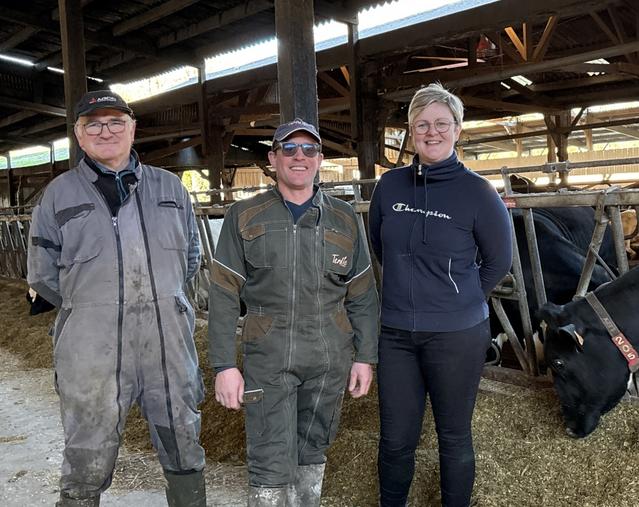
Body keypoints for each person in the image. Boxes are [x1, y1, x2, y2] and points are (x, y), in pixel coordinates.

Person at [27, 90, 205, 507]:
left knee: (182, 437)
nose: (105, 131)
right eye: (94, 124)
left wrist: (164, 299)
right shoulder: (58, 195)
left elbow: (192, 257)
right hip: (91, 349)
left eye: (115, 122)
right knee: (86, 448)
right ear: (79, 134)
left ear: (132, 129)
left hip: (168, 345)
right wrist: (90, 309)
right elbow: (41, 274)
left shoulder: (170, 188)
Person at [208, 118, 379, 506]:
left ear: (320, 159)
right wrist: (224, 365)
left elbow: (363, 295)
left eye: (308, 150)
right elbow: (222, 295)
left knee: (313, 449)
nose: (298, 157)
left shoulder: (344, 218)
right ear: (273, 158)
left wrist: (366, 357)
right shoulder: (245, 216)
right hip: (268, 353)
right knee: (269, 455)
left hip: (329, 356)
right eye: (288, 149)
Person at [368, 83, 513, 507]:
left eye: (442, 124)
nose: (432, 133)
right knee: (395, 439)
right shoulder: (389, 187)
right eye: (422, 124)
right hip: (396, 334)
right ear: (410, 132)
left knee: (453, 435)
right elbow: (380, 246)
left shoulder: (479, 194)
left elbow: (498, 262)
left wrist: (461, 301)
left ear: (457, 130)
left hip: (456, 335)